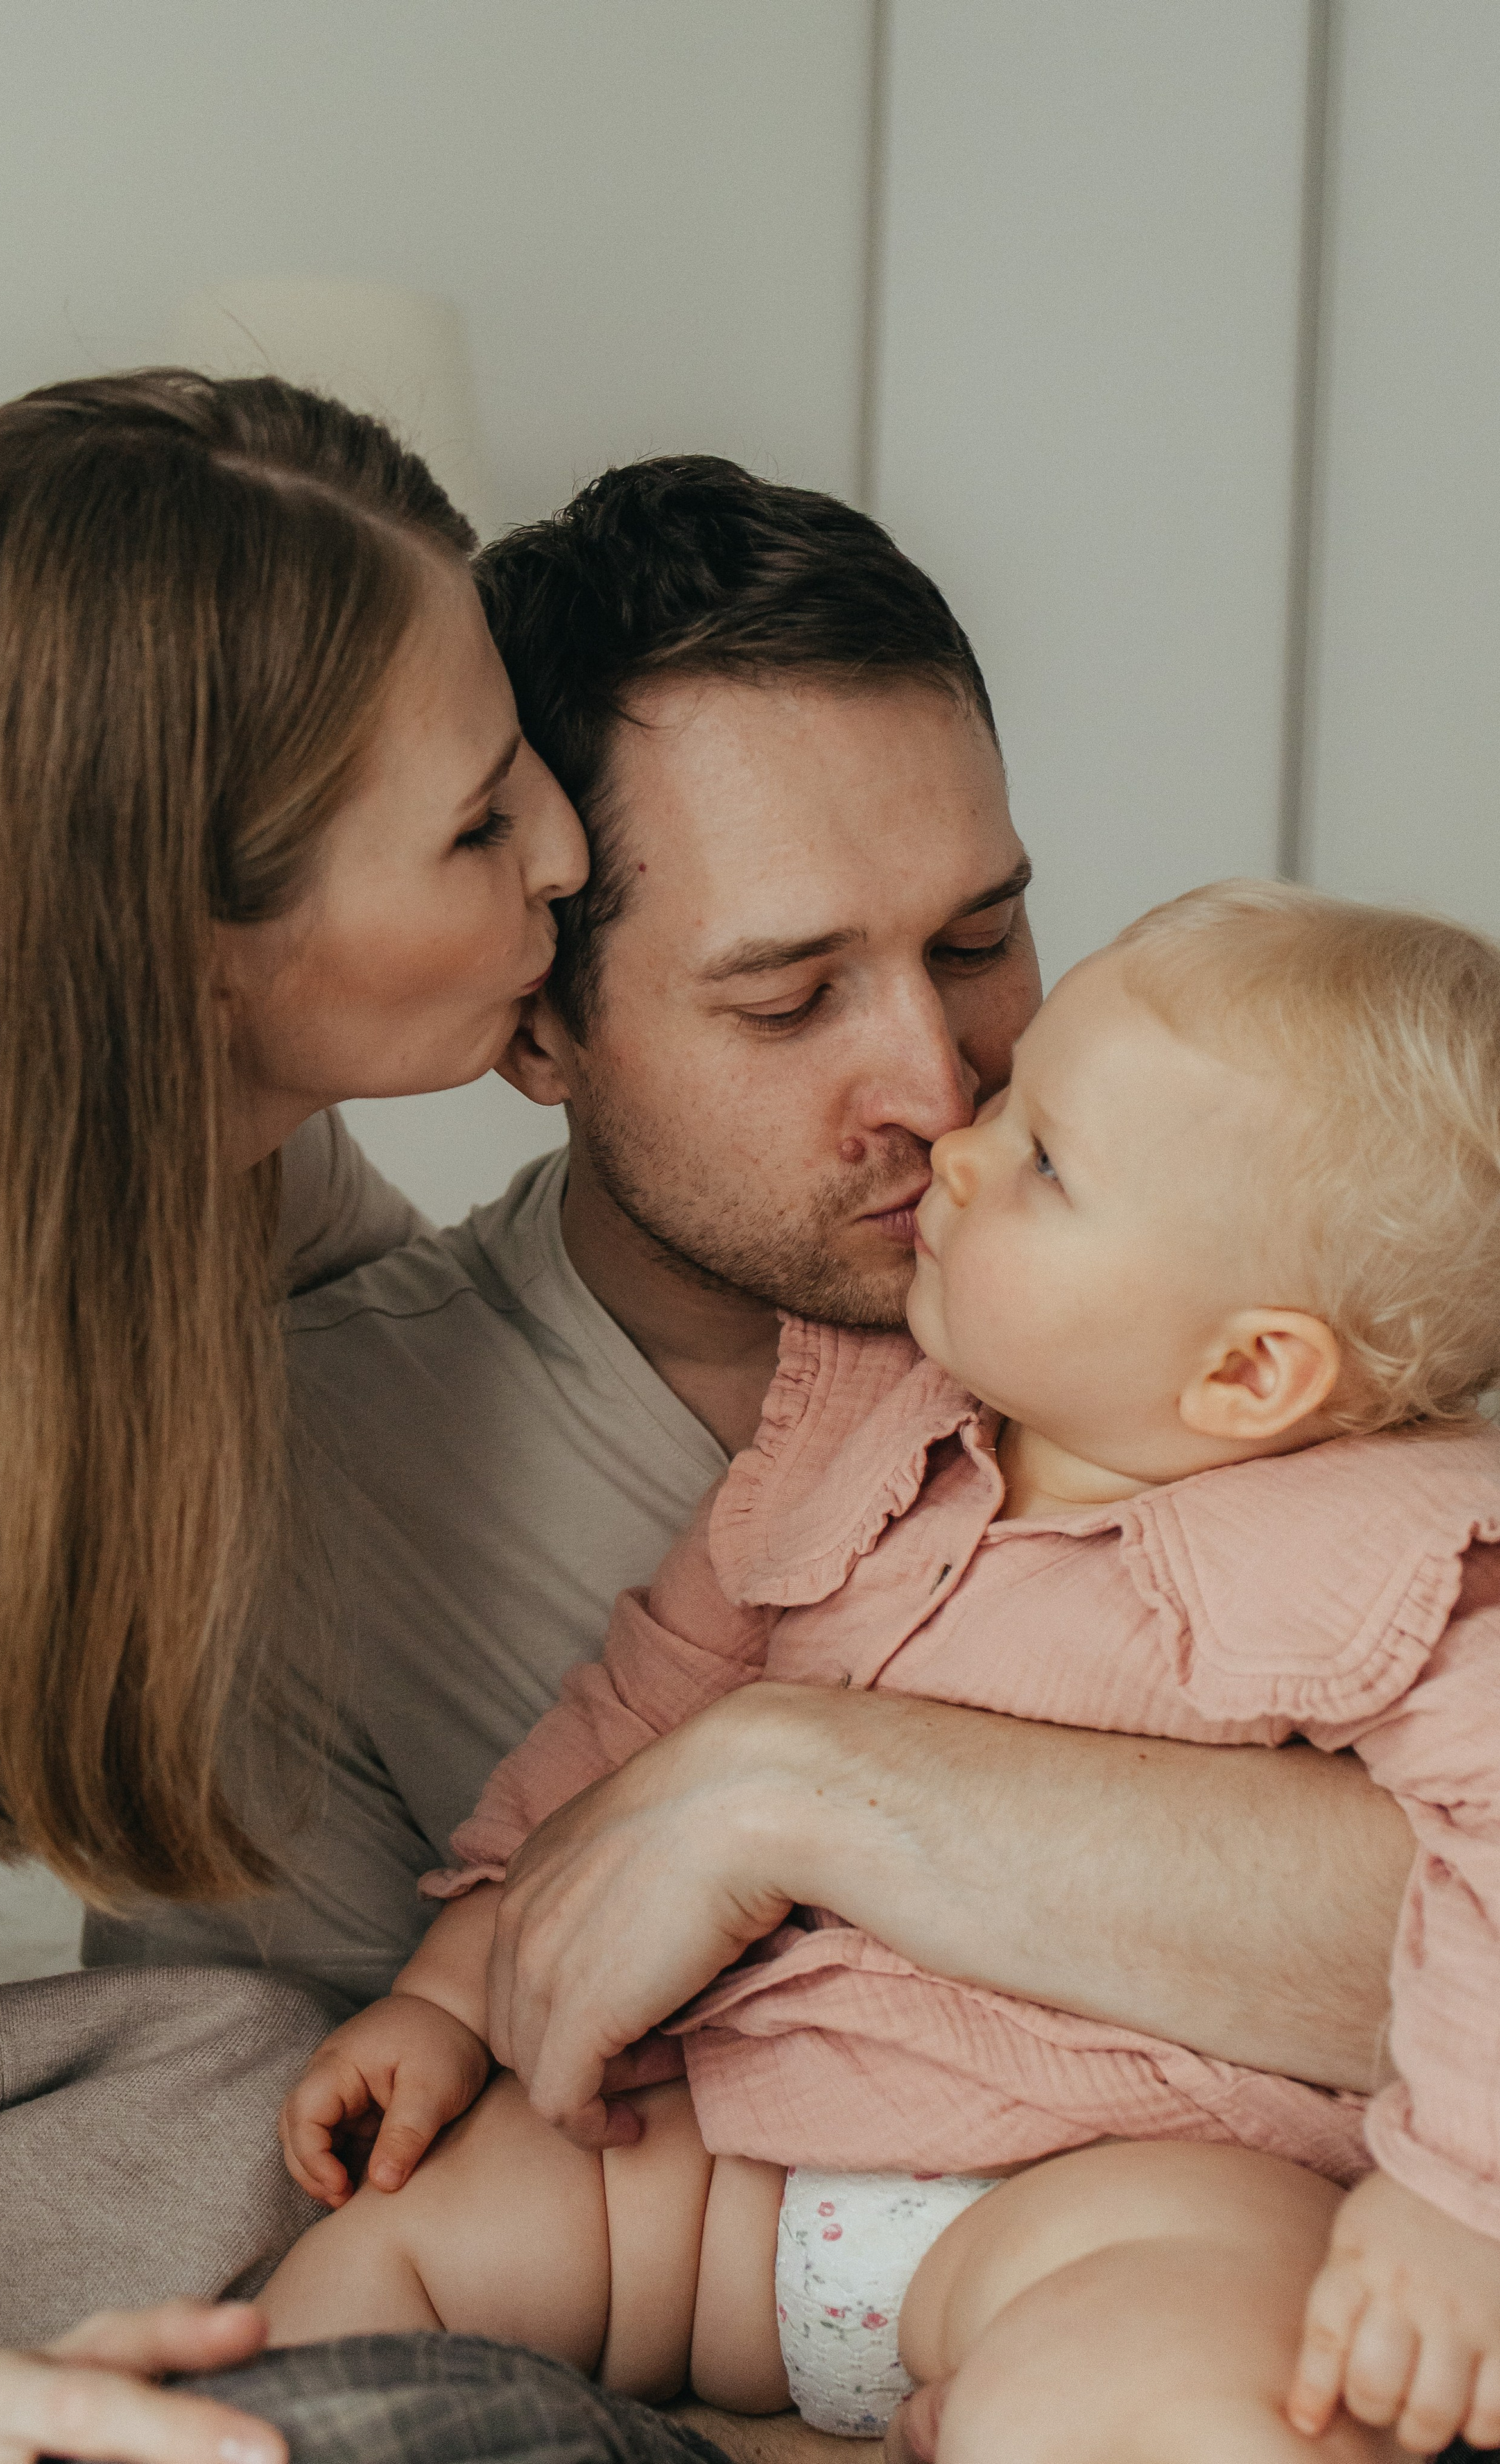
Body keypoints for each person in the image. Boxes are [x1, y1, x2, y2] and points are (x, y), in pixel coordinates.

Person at [99, 458, 1413, 2166]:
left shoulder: (1243, 1318)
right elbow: (287, 2182)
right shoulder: (302, 1508)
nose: (940, 1092)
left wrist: (792, 1785)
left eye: (978, 940)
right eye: (787, 1003)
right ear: (537, 1026)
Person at [261, 882, 1500, 2463]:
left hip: (1117, 2181)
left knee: (1177, 2386)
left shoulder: (1389, 1551)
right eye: (1013, 1101)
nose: (958, 1147)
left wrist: (1457, 2202)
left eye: (1044, 1162)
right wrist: (450, 1998)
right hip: (724, 2159)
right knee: (383, 2261)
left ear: (1248, 1369)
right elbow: (632, 1728)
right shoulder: (860, 1427)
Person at [0, 369, 587, 2460]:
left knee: (252, 2085)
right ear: (185, 958)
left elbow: (475, 1398)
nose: (564, 842)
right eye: (474, 822)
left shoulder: (215, 1167)